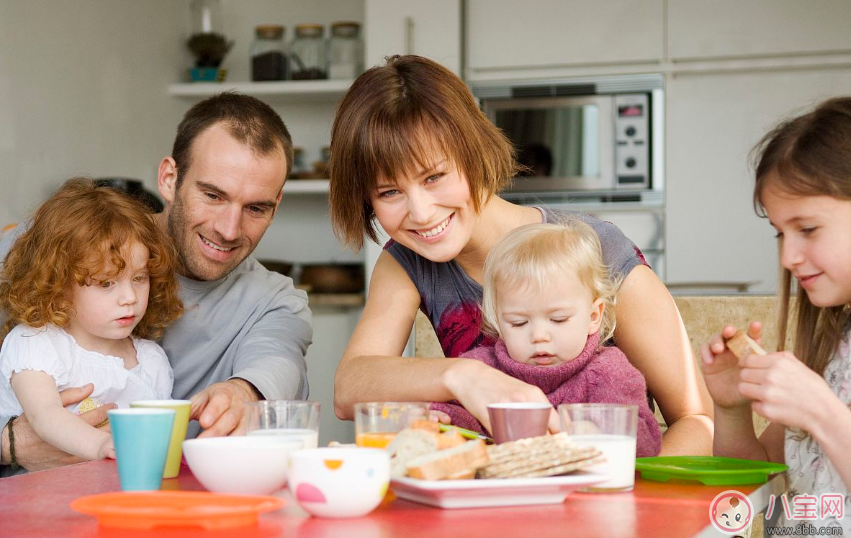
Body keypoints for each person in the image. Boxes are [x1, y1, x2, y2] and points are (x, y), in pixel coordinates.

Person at [328, 55, 712, 455]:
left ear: (473, 153)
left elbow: (696, 419)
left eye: (434, 177)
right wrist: (464, 377)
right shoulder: (406, 262)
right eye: (389, 192)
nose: (421, 213)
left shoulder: (595, 248)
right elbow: (349, 387)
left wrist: (632, 499)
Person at [0, 92, 313, 475]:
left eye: (256, 208)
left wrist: (241, 392)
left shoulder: (276, 302)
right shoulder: (58, 243)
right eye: (213, 195)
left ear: (275, 206)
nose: (229, 229)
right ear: (169, 178)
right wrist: (9, 444)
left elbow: (279, 364)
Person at [701, 97, 851, 533]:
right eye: (780, 233)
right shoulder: (831, 345)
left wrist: (822, 411)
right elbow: (759, 474)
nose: (788, 256)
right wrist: (731, 410)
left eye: (807, 229)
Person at [430, 221, 661, 456]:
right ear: (498, 322)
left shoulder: (609, 373)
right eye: (518, 323)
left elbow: (645, 443)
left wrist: (589, 431)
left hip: (585, 489)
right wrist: (444, 419)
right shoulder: (483, 370)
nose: (539, 336)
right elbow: (467, 422)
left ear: (593, 316)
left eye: (558, 320)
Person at [0, 179, 183, 464]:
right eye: (107, 283)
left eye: (139, 278)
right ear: (59, 288)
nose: (129, 297)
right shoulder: (36, 344)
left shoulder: (151, 361)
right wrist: (103, 446)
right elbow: (44, 416)